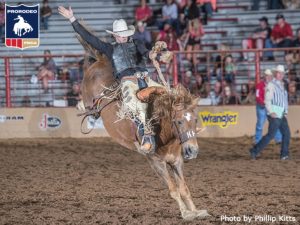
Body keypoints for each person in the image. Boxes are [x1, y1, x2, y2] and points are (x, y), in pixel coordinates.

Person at [58, 6, 167, 153]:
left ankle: (179, 127)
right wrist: (72, 19)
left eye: (122, 34)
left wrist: (157, 56)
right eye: (118, 35)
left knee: (167, 94)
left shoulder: (137, 44)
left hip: (146, 79)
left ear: (127, 34)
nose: (120, 37)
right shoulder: (110, 49)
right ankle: (146, 136)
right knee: (134, 104)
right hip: (128, 82)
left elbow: (147, 53)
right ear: (115, 35)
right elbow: (90, 39)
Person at [250, 65, 290, 160]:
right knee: (272, 135)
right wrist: (270, 111)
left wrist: (286, 111)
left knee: (286, 134)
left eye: (282, 73)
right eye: (279, 73)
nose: (280, 75)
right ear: (276, 74)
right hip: (274, 114)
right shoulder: (271, 85)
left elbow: (284, 100)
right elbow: (267, 100)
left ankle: (284, 154)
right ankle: (254, 150)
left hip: (281, 114)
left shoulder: (282, 85)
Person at [255, 69, 282, 144]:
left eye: (270, 76)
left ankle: (278, 139)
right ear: (264, 76)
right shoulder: (260, 85)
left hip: (269, 106)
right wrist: (264, 102)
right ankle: (257, 140)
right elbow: (257, 96)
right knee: (260, 124)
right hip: (262, 106)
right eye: (267, 75)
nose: (268, 77)